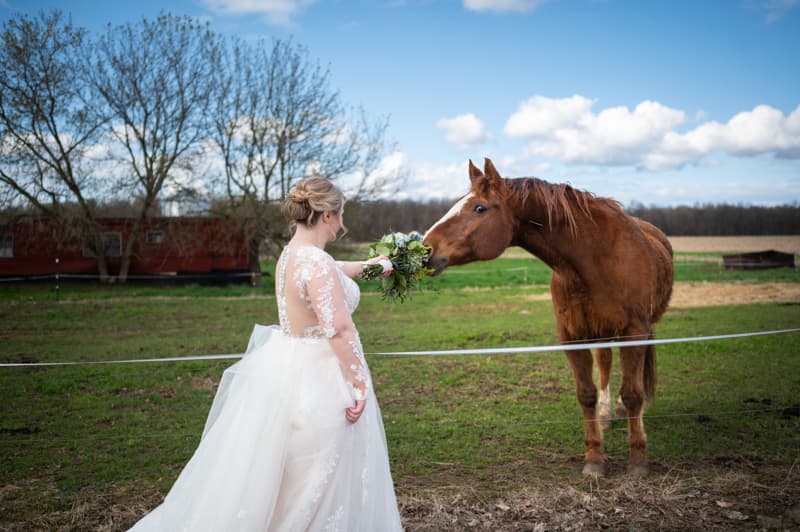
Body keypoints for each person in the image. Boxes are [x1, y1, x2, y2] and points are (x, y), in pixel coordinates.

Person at [129, 177, 404, 531]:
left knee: (288, 477)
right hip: (319, 381)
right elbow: (338, 328)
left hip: (286, 369)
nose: (342, 223)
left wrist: (380, 266)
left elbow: (339, 270)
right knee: (320, 477)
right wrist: (359, 383)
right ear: (326, 216)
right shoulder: (316, 263)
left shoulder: (292, 256)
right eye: (340, 214)